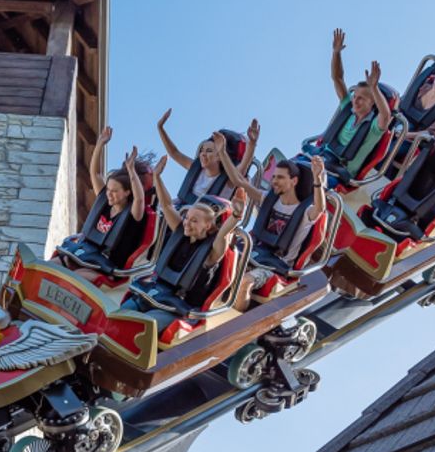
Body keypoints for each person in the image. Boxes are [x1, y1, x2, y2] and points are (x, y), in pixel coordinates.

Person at [120, 156, 243, 330]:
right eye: (187, 218)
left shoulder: (212, 252)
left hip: (177, 309)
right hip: (154, 294)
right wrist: (157, 177)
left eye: (194, 221)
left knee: (138, 327)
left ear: (208, 226)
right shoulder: (181, 232)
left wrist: (236, 216)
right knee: (121, 314)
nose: (186, 222)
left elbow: (223, 235)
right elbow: (168, 205)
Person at [217, 129, 327, 311]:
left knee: (244, 282)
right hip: (254, 253)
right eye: (274, 177)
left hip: (277, 265)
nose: (274, 181)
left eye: (280, 178)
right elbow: (239, 180)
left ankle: (233, 320)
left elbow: (320, 208)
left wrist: (317, 179)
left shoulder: (305, 211)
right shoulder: (268, 198)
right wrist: (224, 151)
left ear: (294, 181)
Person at [52, 126, 148, 282]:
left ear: (127, 192)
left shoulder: (133, 214)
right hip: (84, 254)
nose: (109, 193)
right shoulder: (105, 201)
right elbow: (95, 173)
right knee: (53, 264)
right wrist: (99, 145)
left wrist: (131, 171)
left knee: (72, 278)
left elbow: (140, 199)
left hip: (104, 266)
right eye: (108, 189)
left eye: (115, 191)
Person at [307, 28, 392, 189]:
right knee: (288, 170)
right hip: (320, 157)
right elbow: (337, 78)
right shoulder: (348, 109)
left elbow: (386, 115)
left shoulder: (374, 127)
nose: (355, 101)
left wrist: (374, 87)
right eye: (355, 96)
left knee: (307, 184)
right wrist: (336, 52)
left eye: (361, 98)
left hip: (337, 171)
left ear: (371, 103)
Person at [156, 110, 258, 205]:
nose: (203, 154)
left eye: (209, 151)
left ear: (219, 156)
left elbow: (244, 165)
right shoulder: (196, 168)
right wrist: (160, 128)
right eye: (202, 151)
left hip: (206, 219)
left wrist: (252, 143)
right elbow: (174, 153)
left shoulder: (229, 179)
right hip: (184, 211)